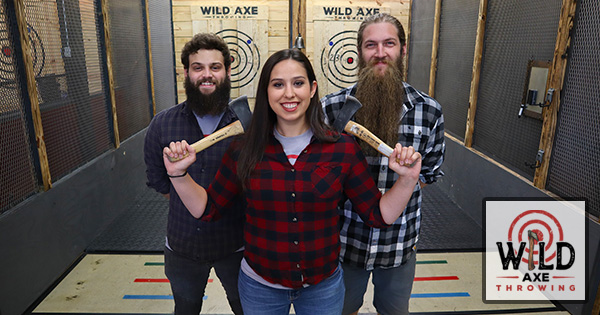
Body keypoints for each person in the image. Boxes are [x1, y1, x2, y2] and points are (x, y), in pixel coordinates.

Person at [161, 48, 422, 315]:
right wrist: (178, 175)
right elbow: (207, 209)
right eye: (277, 85)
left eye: (298, 83)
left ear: (312, 89)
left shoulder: (342, 148)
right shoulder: (244, 149)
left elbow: (378, 215)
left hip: (324, 288)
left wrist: (407, 180)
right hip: (259, 287)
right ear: (266, 92)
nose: (289, 93)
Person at [321, 13, 445, 315]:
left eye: (389, 43)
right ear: (360, 52)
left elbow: (428, 174)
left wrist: (409, 174)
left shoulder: (429, 112)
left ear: (402, 49)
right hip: (344, 242)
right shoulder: (332, 108)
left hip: (399, 243)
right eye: (370, 45)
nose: (380, 53)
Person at [143, 33, 244, 315]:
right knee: (185, 309)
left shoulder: (246, 124)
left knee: (246, 308)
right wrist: (186, 192)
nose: (207, 75)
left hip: (236, 244)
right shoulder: (162, 125)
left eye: (215, 67)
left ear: (227, 71)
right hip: (183, 245)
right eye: (198, 68)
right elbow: (160, 182)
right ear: (186, 73)